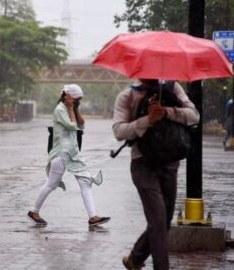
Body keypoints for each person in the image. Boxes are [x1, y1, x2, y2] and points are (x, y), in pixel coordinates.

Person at [112, 79, 199, 270]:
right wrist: (147, 120)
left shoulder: (173, 88)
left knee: (163, 221)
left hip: (169, 162)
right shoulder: (127, 96)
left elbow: (194, 116)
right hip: (142, 164)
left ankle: (135, 259)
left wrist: (167, 112)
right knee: (158, 220)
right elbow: (119, 131)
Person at [27, 84, 110, 227]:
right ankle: (34, 211)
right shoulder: (60, 109)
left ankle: (93, 217)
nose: (78, 102)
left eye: (80, 100)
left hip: (72, 153)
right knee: (51, 185)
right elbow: (72, 126)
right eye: (77, 99)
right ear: (68, 96)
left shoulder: (71, 109)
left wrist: (75, 108)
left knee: (85, 182)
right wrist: (71, 108)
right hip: (62, 154)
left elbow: (81, 125)